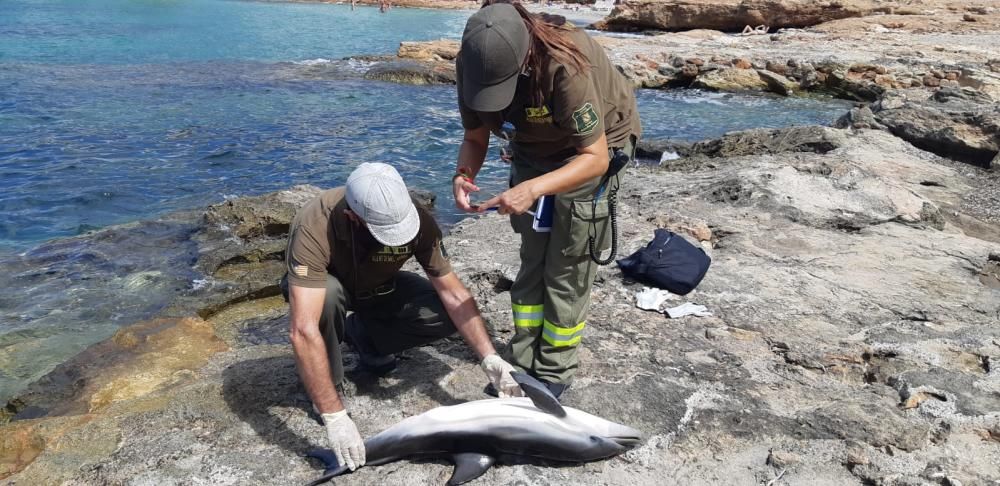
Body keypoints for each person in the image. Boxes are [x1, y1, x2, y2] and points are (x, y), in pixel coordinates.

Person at [451, 2, 641, 398]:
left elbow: (595, 157)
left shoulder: (562, 63)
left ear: (522, 61)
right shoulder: (472, 64)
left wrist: (534, 189)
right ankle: (523, 359)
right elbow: (475, 138)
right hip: (532, 151)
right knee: (534, 255)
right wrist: (463, 176)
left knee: (567, 263)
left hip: (589, 153)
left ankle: (554, 369)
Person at [283, 162, 523, 472]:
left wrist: (490, 358)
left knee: (440, 312)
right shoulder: (314, 225)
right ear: (352, 216)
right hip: (327, 292)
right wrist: (334, 416)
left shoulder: (417, 216)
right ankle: (330, 386)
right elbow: (302, 329)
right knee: (327, 298)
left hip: (380, 289)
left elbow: (453, 293)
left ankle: (364, 337)